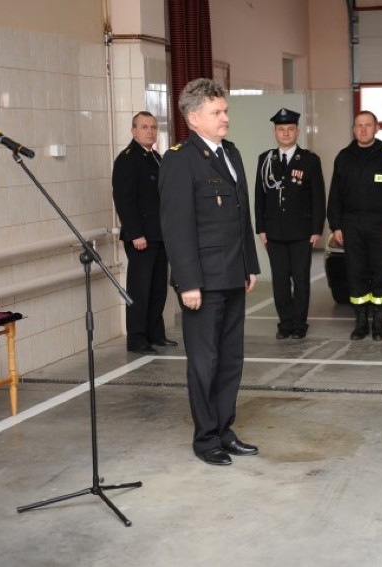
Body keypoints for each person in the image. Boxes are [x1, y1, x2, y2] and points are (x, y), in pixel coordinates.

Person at [159, 79, 261, 467]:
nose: (225, 118)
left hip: (233, 275)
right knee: (205, 361)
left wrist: (250, 266)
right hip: (202, 281)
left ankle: (224, 429)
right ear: (194, 117)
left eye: (225, 111)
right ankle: (205, 438)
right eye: (217, 112)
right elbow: (177, 226)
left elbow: (241, 215)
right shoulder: (179, 159)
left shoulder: (231, 153)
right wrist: (188, 282)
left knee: (231, 359)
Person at [327, 111, 382, 341]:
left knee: (380, 274)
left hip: (380, 223)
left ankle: (379, 324)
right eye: (359, 125)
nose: (363, 129)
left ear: (377, 128)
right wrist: (336, 226)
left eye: (368, 125)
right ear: (354, 129)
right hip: (351, 224)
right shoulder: (344, 157)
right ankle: (360, 324)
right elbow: (335, 196)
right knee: (356, 274)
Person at [254, 108, 326, 340]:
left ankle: (299, 323)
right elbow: (260, 196)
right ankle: (285, 323)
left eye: (290, 129)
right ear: (275, 132)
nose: (285, 133)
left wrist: (317, 229)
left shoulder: (309, 160)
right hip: (274, 232)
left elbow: (318, 197)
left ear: (297, 131)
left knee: (301, 279)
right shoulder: (265, 159)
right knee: (280, 280)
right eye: (281, 129)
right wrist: (261, 228)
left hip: (301, 232)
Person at [112, 111, 177, 355]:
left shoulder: (156, 158)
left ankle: (155, 334)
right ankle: (137, 339)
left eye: (153, 127)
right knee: (140, 290)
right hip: (141, 237)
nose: (150, 131)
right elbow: (124, 200)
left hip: (159, 235)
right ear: (134, 131)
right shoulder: (128, 159)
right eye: (144, 127)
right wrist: (136, 233)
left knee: (158, 288)